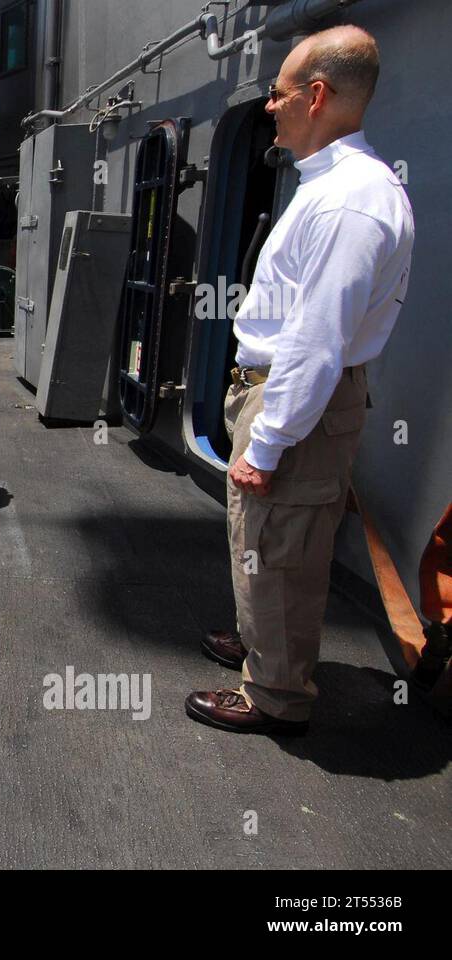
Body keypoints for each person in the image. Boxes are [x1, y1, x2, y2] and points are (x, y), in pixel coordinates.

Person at [185, 25, 414, 736]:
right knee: (272, 540)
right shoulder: (335, 187)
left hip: (296, 398)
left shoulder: (348, 202)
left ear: (316, 96)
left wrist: (270, 439)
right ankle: (265, 648)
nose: (270, 109)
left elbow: (318, 339)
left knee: (280, 545)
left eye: (279, 95)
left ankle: (276, 695)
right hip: (291, 392)